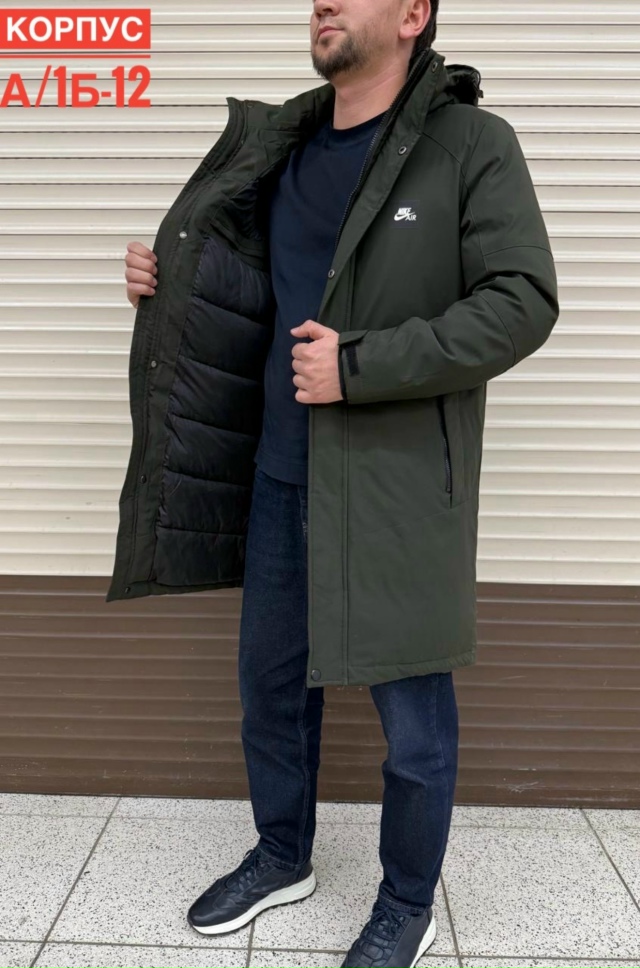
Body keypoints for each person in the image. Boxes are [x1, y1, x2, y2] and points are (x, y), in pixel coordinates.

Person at [112, 0, 559, 964]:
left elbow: (522, 301)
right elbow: (259, 285)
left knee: (413, 722)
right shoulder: (282, 145)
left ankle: (407, 903)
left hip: (398, 487)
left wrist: (359, 366)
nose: (324, 1)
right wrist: (172, 278)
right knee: (270, 692)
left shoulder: (470, 144)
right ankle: (283, 856)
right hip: (281, 473)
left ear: (412, 15)